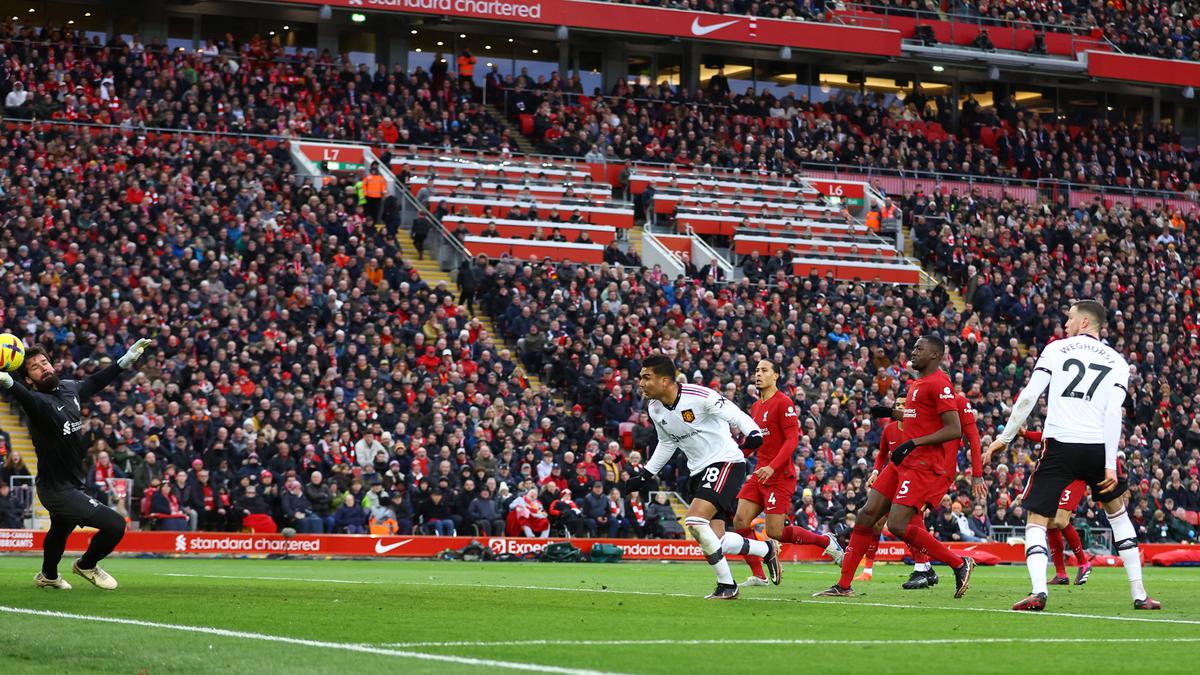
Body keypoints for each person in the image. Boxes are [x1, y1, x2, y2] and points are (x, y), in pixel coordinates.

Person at [989, 300, 1161, 611]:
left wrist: (1005, 437)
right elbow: (1113, 413)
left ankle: (1039, 591)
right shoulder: (1119, 362)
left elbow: (1029, 395)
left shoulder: (1057, 349)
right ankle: (1140, 595)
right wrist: (1110, 464)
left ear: (1083, 323)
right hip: (1096, 449)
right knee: (1119, 516)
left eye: (1069, 319)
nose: (1065, 325)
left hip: (1060, 446)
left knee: (1037, 520)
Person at [815, 335, 976, 598]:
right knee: (867, 514)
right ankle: (844, 585)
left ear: (934, 355)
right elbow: (920, 417)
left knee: (898, 524)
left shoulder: (939, 384)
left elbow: (953, 429)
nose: (912, 352)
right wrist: (891, 413)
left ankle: (959, 563)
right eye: (913, 347)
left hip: (921, 465)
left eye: (919, 348)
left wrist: (912, 443)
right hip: (901, 462)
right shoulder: (917, 383)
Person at [0, 340, 152, 590]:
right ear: (28, 379)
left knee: (60, 530)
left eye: (45, 363)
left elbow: (94, 382)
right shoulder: (36, 402)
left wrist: (124, 361)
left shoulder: (69, 389)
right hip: (56, 489)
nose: (44, 368)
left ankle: (48, 576)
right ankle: (86, 565)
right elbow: (24, 397)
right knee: (115, 525)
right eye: (35, 368)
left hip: (71, 483)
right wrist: (9, 383)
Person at [627, 355, 780, 599]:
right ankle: (766, 548)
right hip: (698, 471)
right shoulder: (655, 409)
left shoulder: (698, 396)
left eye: (647, 378)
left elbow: (735, 412)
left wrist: (752, 432)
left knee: (694, 521)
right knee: (715, 539)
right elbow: (667, 442)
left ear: (665, 381)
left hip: (725, 462)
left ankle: (727, 585)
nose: (641, 383)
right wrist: (646, 474)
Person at [735, 360, 842, 588]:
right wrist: (736, 451)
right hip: (759, 474)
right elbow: (755, 442)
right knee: (740, 521)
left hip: (779, 475)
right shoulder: (756, 407)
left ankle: (825, 541)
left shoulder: (784, 403)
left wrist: (772, 467)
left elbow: (792, 441)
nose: (758, 374)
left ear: (776, 376)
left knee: (775, 531)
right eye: (756, 371)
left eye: (764, 370)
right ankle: (759, 575)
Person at [1008, 428, 1093, 586]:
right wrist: (1024, 433)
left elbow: (1044, 436)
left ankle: (1084, 563)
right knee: (1052, 523)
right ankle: (1061, 573)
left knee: (1060, 520)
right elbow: (1043, 436)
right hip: (1060, 479)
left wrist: (1024, 433)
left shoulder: (1067, 432)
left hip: (1075, 478)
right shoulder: (1054, 434)